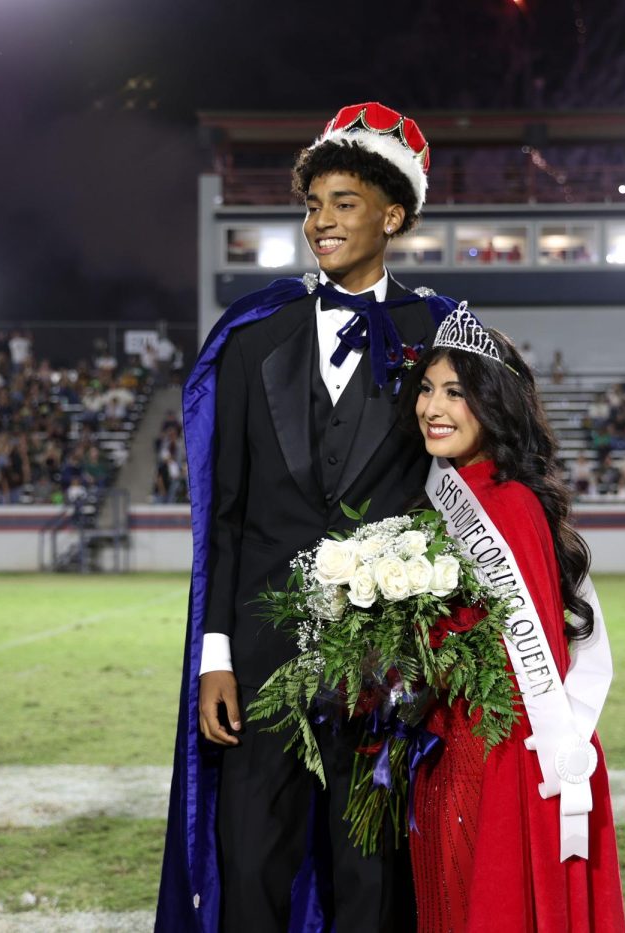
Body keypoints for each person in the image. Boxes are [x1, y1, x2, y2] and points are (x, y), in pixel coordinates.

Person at [156, 102, 457, 933]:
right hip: (256, 662)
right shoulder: (254, 336)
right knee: (251, 861)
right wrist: (213, 658)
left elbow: (466, 494)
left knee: (372, 877)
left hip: (383, 666)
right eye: (312, 204)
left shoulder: (441, 334)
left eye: (344, 203)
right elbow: (224, 514)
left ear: (393, 215)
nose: (320, 221)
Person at [402, 307, 625, 932]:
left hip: (504, 752)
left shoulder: (508, 502)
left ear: (492, 405)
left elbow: (529, 656)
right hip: (457, 743)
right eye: (427, 389)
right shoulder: (454, 490)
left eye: (455, 392)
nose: (433, 407)